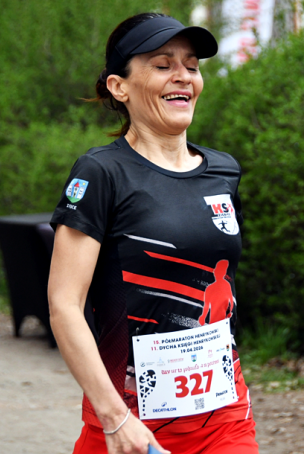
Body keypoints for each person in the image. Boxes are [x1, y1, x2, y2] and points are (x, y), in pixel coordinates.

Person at [48, 13, 258, 454]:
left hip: (224, 418)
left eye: (192, 66)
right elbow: (64, 305)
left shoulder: (223, 171)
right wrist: (114, 417)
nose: (183, 76)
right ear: (118, 86)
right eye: (163, 65)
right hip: (132, 424)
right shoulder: (101, 173)